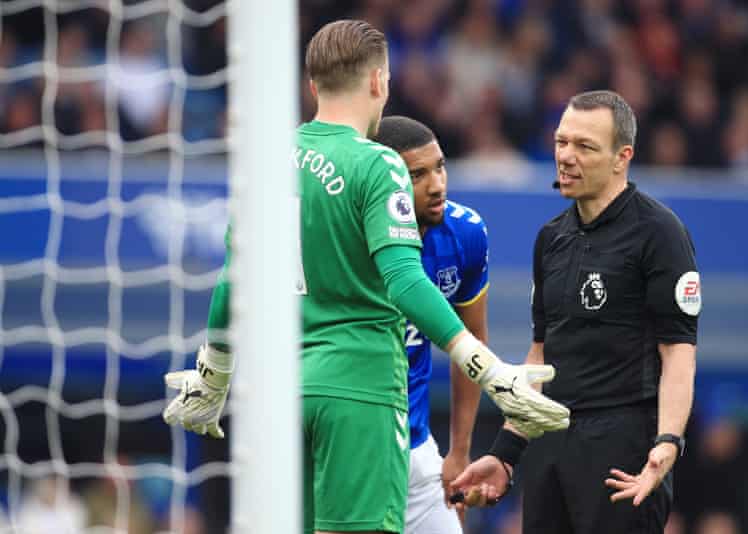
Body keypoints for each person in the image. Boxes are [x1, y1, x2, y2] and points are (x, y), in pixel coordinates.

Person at [161, 19, 570, 534]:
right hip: (361, 390)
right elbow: (403, 279)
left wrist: (215, 375)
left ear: (313, 85)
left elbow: (231, 282)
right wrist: (488, 369)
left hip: (284, 393)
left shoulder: (266, 160)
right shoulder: (378, 164)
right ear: (380, 82)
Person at [452, 90, 700, 533]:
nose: (566, 156)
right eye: (561, 142)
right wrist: (506, 453)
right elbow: (539, 360)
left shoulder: (660, 233)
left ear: (622, 157)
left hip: (622, 450)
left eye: (584, 146)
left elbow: (678, 355)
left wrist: (667, 442)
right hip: (551, 443)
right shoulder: (550, 239)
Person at [374, 115, 487, 533]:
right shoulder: (342, 239)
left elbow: (472, 342)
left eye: (440, 166)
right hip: (346, 448)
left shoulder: (465, 234)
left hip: (416, 450)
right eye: (416, 174)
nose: (437, 184)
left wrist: (459, 452)